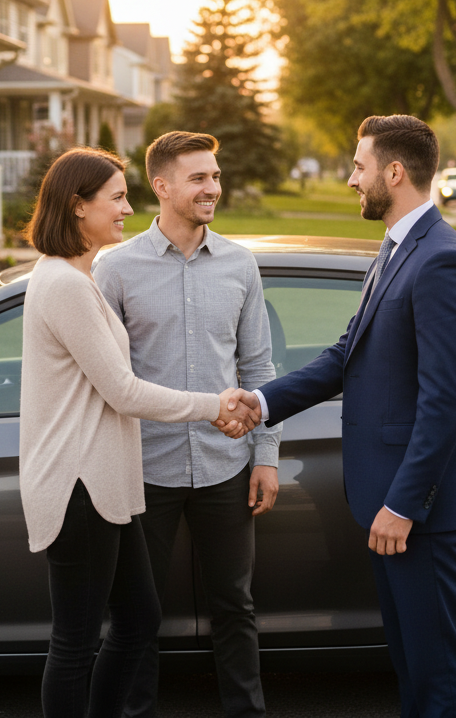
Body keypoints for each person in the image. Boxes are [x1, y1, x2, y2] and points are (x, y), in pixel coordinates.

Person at [235, 115, 456, 718]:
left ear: (394, 172)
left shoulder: (442, 261)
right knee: (409, 661)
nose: (352, 179)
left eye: (359, 166)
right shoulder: (399, 247)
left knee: (437, 672)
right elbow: (348, 354)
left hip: (416, 509)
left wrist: (404, 505)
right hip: (389, 501)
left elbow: (445, 401)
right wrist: (263, 402)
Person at [19, 147, 258, 718]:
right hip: (78, 485)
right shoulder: (66, 285)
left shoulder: (75, 278)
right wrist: (213, 403)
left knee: (138, 618)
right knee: (74, 642)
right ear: (79, 207)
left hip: (105, 488)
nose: (128, 208)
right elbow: (123, 390)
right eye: (116, 198)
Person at [93, 131, 281, 718]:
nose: (213, 189)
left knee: (235, 605)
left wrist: (266, 455)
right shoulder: (115, 268)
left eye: (216, 177)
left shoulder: (239, 264)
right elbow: (107, 378)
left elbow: (258, 367)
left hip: (227, 468)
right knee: (137, 614)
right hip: (144, 468)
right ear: (162, 186)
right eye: (199, 178)